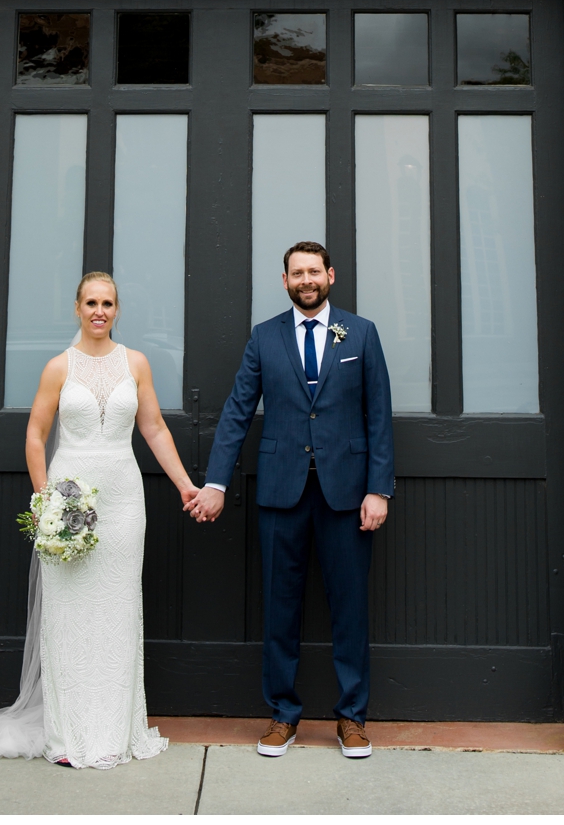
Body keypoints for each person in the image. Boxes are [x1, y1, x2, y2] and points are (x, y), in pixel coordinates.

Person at [0, 272, 200, 769]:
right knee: (68, 616)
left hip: (125, 500)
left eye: (108, 303)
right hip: (69, 497)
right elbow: (34, 435)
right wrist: (46, 500)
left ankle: (114, 732)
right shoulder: (57, 368)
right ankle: (68, 737)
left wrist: (185, 484)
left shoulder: (136, 363)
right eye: (91, 302)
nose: (99, 311)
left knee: (118, 609)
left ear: (117, 310)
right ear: (76, 308)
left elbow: (152, 428)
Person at [188, 240, 395, 760]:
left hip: (347, 495)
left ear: (330, 275)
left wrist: (378, 488)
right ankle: (282, 714)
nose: (306, 280)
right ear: (285, 281)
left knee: (349, 608)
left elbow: (379, 417)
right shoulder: (265, 337)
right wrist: (216, 482)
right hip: (281, 492)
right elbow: (237, 412)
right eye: (296, 273)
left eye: (313, 271)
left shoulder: (361, 333)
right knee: (280, 608)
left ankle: (352, 718)